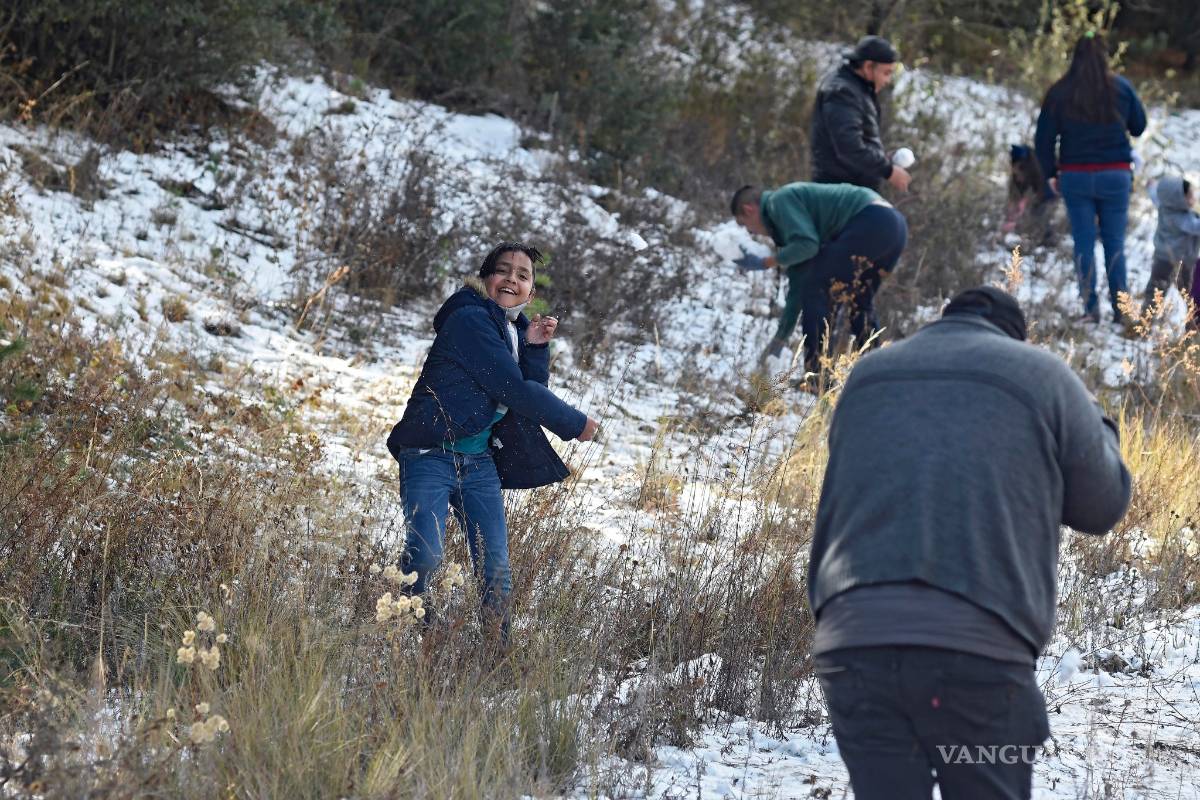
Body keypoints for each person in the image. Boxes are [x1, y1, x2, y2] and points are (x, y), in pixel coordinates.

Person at [808, 286, 1132, 800]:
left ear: (944, 321)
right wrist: (1100, 427)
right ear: (1013, 336)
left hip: (855, 645)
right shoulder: (1041, 374)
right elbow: (1101, 506)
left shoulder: (869, 375)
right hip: (975, 656)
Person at [386, 242, 599, 645]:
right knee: (426, 554)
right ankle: (414, 635)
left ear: (531, 293)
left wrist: (535, 347)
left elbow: (526, 393)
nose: (512, 280)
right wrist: (575, 424)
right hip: (431, 452)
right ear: (485, 279)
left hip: (478, 462)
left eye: (523, 276)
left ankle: (497, 650)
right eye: (503, 271)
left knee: (495, 566)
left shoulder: (512, 330)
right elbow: (512, 388)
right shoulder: (470, 319)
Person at [730, 182, 907, 376]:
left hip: (869, 219)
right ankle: (882, 374)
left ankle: (816, 376)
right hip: (894, 226)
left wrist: (766, 262)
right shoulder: (794, 219)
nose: (751, 232)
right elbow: (798, 283)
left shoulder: (778, 201)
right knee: (859, 303)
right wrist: (780, 338)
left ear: (749, 210)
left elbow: (808, 246)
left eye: (745, 225)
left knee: (817, 289)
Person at [1035, 32, 1147, 325]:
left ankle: (1089, 308)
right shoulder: (1121, 88)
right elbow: (1138, 127)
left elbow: (1043, 139)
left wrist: (1049, 174)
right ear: (1105, 55)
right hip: (1116, 175)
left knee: (1083, 241)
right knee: (1115, 243)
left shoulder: (1060, 91)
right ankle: (1121, 309)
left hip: (1075, 176)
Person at [811, 35, 912, 193]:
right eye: (886, 73)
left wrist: (883, 158)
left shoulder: (857, 90)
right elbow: (848, 147)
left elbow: (857, 144)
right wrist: (888, 170)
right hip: (839, 195)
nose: (888, 80)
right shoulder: (843, 92)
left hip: (851, 193)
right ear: (867, 66)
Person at [1142, 176, 1200, 309]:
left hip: (1161, 258)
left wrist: (1151, 186)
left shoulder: (1163, 205)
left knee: (1155, 289)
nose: (1194, 198)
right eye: (1190, 195)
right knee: (1188, 292)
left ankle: (1145, 319)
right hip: (1180, 263)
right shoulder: (1182, 219)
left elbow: (1154, 196)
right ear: (1178, 199)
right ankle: (1193, 320)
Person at [1002, 144, 1057, 247]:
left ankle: (1047, 242)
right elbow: (1015, 196)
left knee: (1040, 216)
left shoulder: (1036, 171)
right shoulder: (1017, 178)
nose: (1015, 171)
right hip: (1033, 199)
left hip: (1044, 198)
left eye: (1018, 168)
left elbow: (1037, 191)